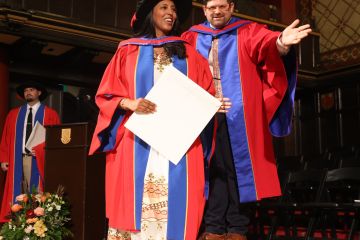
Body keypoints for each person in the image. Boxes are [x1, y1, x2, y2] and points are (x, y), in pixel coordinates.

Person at [88, 0, 222, 239]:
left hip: (178, 143)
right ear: (150, 13)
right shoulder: (127, 50)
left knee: (178, 206)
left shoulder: (188, 51)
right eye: (164, 7)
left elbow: (206, 91)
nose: (170, 13)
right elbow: (106, 94)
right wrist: (129, 103)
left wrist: (212, 105)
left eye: (173, 9)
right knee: (135, 204)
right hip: (137, 141)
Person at [182, 0, 312, 239]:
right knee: (210, 171)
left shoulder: (247, 30)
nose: (217, 11)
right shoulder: (191, 37)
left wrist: (281, 42)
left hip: (238, 117)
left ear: (231, 7)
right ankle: (213, 228)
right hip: (202, 116)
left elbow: (266, 42)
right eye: (212, 7)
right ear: (204, 10)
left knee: (236, 170)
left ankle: (237, 228)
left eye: (222, 6)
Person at [0, 81, 60, 222]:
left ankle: (36, 223)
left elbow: (55, 140)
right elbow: (6, 138)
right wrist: (3, 158)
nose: (28, 92)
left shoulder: (49, 114)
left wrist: (41, 150)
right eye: (26, 90)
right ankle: (16, 223)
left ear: (39, 93)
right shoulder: (14, 114)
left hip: (38, 160)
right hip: (17, 160)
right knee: (18, 192)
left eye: (32, 89)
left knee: (36, 192)